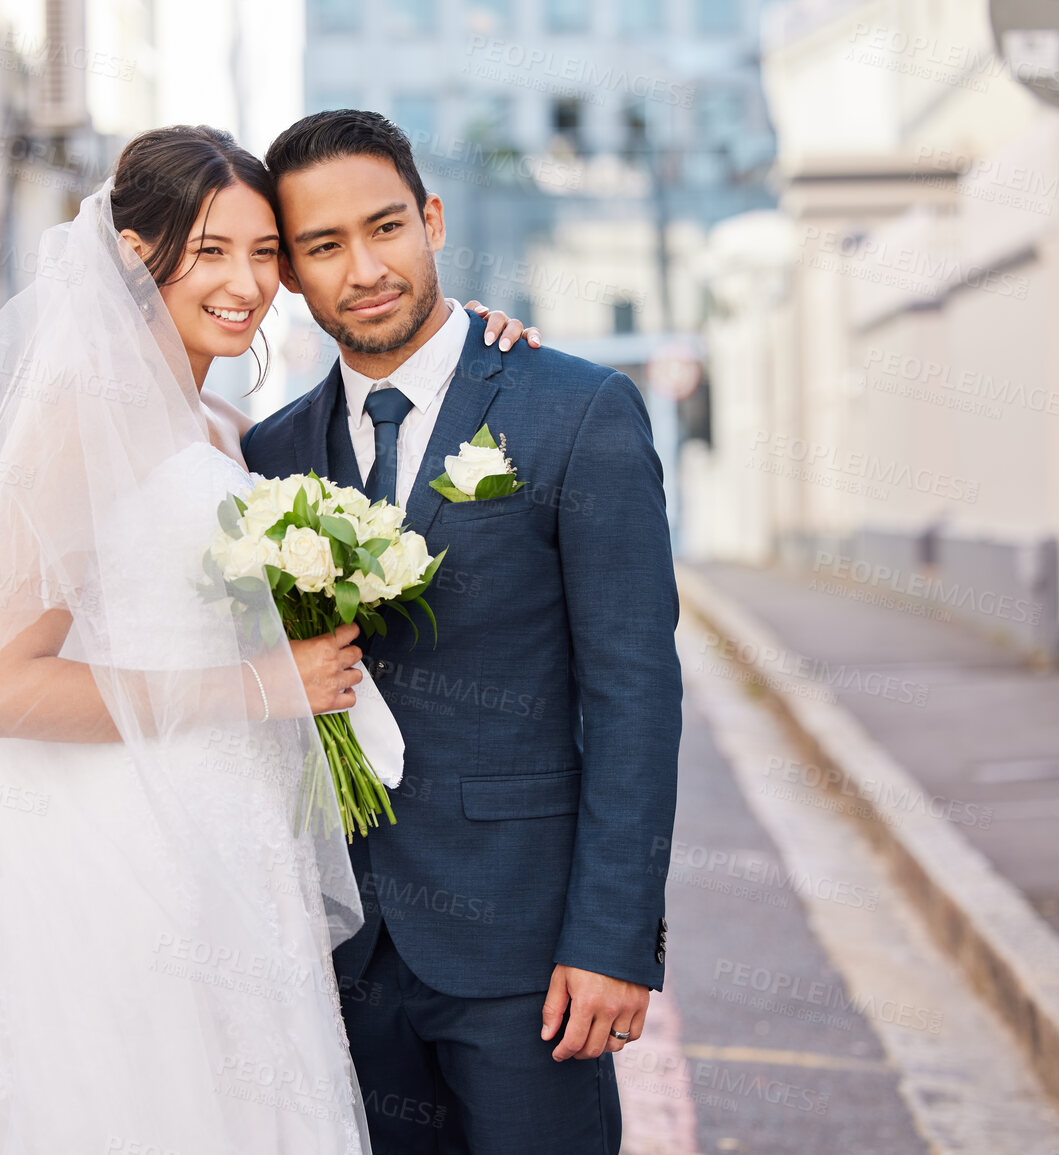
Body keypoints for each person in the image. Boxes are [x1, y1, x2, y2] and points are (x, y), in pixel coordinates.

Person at [0, 124, 535, 1154]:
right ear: (139, 255)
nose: (248, 283)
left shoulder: (228, 431)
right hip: (129, 857)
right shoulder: (70, 422)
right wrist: (262, 686)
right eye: (213, 251)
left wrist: (473, 345)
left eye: (266, 253)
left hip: (240, 852)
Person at [241, 109, 685, 1155]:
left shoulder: (575, 413)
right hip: (336, 955)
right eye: (323, 246)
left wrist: (615, 939)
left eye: (385, 227)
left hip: (526, 954)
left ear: (432, 219)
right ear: (293, 277)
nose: (365, 268)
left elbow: (636, 695)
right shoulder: (266, 455)